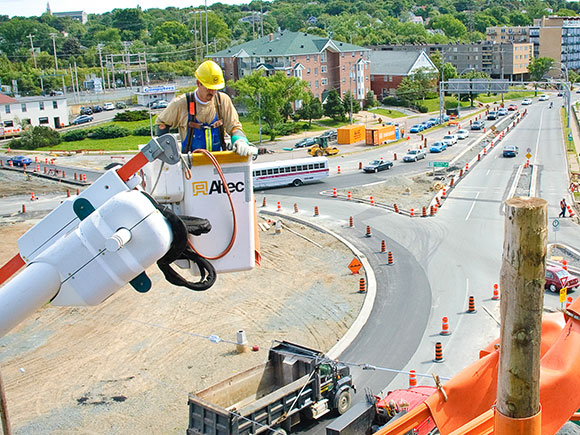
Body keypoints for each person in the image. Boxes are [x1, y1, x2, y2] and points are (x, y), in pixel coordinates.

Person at [155, 60, 255, 156]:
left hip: (218, 161)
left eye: (215, 88)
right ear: (199, 83)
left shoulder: (222, 101)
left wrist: (240, 140)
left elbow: (234, 127)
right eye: (209, 88)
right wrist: (167, 151)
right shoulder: (182, 104)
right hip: (191, 164)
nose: (213, 92)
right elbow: (161, 124)